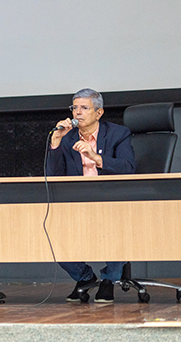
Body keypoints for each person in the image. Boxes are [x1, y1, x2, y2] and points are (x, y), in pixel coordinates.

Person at [46, 88, 135, 303]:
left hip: (113, 199)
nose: (78, 113)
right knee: (50, 233)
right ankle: (84, 277)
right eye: (74, 108)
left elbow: (128, 167)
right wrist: (56, 141)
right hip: (76, 200)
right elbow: (53, 176)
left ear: (99, 113)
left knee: (118, 227)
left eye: (84, 108)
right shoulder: (67, 138)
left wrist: (96, 157)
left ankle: (109, 280)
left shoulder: (118, 134)